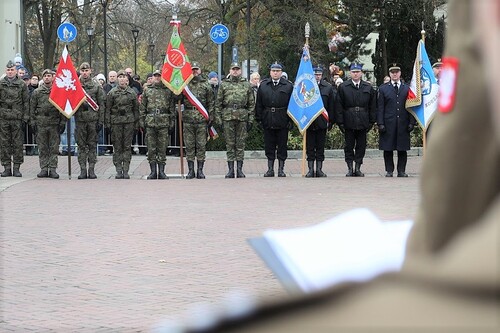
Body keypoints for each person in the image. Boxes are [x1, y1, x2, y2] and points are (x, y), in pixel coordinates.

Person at [173, 2, 499, 331]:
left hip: (362, 134)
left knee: (344, 149)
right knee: (300, 148)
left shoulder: (355, 87)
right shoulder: (329, 87)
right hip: (285, 122)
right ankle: (268, 167)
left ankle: (316, 166)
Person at [335, 63, 376, 177]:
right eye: (353, 72)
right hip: (349, 120)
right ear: (350, 73)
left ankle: (358, 167)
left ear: (361, 73)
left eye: (358, 72)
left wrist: (371, 122)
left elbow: (372, 106)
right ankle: (349, 168)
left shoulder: (368, 87)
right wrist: (340, 122)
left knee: (361, 146)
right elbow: (339, 106)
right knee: (348, 146)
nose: (356, 74)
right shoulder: (343, 87)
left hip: (363, 120)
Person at [215, 62, 255, 178]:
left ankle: (240, 170)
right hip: (228, 117)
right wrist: (218, 120)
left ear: (240, 71)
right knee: (230, 144)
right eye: (233, 69)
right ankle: (231, 170)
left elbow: (251, 104)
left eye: (237, 69)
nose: (235, 71)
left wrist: (251, 119)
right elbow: (218, 104)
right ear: (230, 71)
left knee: (240, 144)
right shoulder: (224, 84)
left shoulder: (246, 84)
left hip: (242, 117)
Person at [377, 63, 416, 177]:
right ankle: (389, 170)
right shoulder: (383, 88)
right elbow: (380, 108)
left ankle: (401, 171)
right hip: (388, 123)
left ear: (400, 73)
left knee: (402, 149)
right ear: (389, 74)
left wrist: (411, 122)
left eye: (396, 72)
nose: (394, 74)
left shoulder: (407, 88)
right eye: (392, 72)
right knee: (388, 148)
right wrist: (380, 123)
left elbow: (411, 106)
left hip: (403, 123)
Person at [255, 62, 294, 177]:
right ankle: (270, 169)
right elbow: (259, 104)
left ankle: (281, 169)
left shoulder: (288, 86)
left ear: (281, 72)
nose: (275, 73)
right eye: (273, 71)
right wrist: (259, 118)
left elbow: (292, 105)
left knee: (282, 146)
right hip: (268, 119)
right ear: (270, 72)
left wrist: (290, 120)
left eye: (277, 71)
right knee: (269, 145)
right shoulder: (264, 85)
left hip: (282, 119)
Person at [30, 69, 67, 178]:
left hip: (54, 122)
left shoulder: (57, 91)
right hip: (41, 123)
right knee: (42, 147)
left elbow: (62, 107)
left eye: (49, 76)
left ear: (52, 77)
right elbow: (32, 108)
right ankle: (44, 168)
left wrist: (63, 122)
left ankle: (53, 169)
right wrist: (32, 122)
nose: (47, 77)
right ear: (42, 77)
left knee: (54, 147)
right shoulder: (37, 92)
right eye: (45, 76)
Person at [139, 70, 175, 180]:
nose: (157, 78)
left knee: (162, 148)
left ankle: (162, 172)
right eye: (155, 76)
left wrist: (171, 122)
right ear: (153, 77)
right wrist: (142, 122)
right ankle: (153, 172)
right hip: (150, 122)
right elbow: (142, 108)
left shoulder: (168, 91)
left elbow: (171, 108)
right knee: (151, 148)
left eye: (159, 76)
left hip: (163, 122)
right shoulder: (147, 90)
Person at [181, 63, 214, 179]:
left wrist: (211, 117)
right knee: (189, 146)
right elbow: (177, 99)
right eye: (192, 70)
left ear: (200, 71)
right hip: (188, 119)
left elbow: (211, 103)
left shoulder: (206, 85)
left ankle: (200, 170)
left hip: (201, 119)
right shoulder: (185, 85)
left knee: (201, 146)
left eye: (196, 70)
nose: (194, 72)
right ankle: (191, 171)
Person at [105, 70, 140, 179]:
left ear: (127, 79)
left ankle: (126, 170)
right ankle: (118, 170)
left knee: (126, 147)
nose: (121, 79)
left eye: (124, 77)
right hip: (116, 122)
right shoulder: (112, 93)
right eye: (119, 77)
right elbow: (108, 109)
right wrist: (107, 124)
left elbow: (136, 109)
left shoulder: (132, 93)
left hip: (128, 122)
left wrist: (136, 124)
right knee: (117, 147)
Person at [75, 62, 105, 179]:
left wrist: (100, 121)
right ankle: (83, 170)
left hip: (93, 120)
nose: (84, 73)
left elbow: (101, 104)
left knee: (92, 146)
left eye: (86, 71)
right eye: (82, 71)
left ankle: (91, 170)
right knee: (81, 146)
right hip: (80, 120)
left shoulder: (96, 85)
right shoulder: (75, 85)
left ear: (90, 71)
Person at [0, 60, 29, 177]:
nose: (10, 72)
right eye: (8, 70)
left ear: (16, 71)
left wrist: (26, 117)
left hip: (17, 117)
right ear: (5, 71)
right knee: (4, 143)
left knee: (17, 143)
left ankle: (16, 167)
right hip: (4, 117)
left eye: (12, 70)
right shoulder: (1, 84)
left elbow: (26, 101)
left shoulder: (21, 84)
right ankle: (6, 167)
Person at [304, 67, 335, 178]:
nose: (317, 76)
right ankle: (311, 170)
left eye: (319, 74)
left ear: (322, 75)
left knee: (320, 147)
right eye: (315, 74)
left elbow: (331, 106)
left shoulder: (328, 87)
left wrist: (331, 121)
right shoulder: (306, 87)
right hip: (309, 122)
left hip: (322, 121)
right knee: (310, 147)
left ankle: (319, 170)